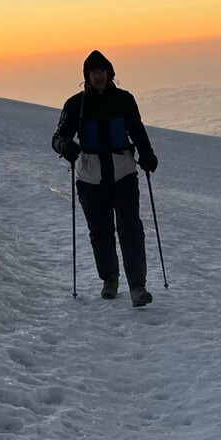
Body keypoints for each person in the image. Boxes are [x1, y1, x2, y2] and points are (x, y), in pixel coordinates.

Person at [52, 50, 158, 306]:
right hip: (90, 177)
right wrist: (65, 146)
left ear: (110, 73)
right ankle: (110, 279)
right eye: (94, 72)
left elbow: (138, 131)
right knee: (100, 231)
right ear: (87, 76)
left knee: (130, 228)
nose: (98, 76)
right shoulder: (75, 105)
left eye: (102, 71)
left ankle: (137, 286)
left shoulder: (124, 100)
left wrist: (147, 154)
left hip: (123, 173)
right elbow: (57, 137)